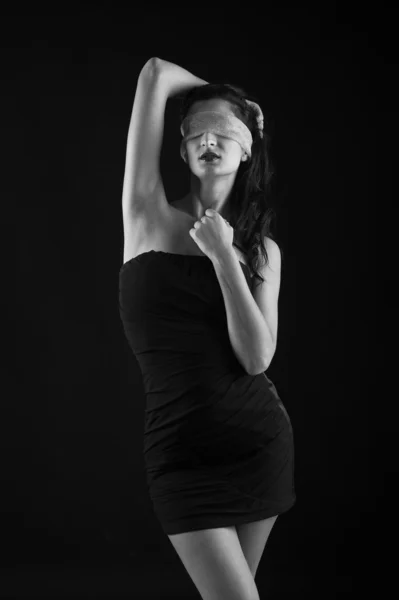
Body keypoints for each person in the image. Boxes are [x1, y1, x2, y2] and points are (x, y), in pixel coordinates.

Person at [119, 57, 296, 600]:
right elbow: (153, 73)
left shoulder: (261, 251)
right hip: (178, 453)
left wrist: (223, 256)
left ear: (247, 151)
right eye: (198, 130)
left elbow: (256, 358)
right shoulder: (145, 211)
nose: (211, 139)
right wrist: (227, 96)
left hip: (256, 446)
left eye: (228, 131)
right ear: (181, 148)